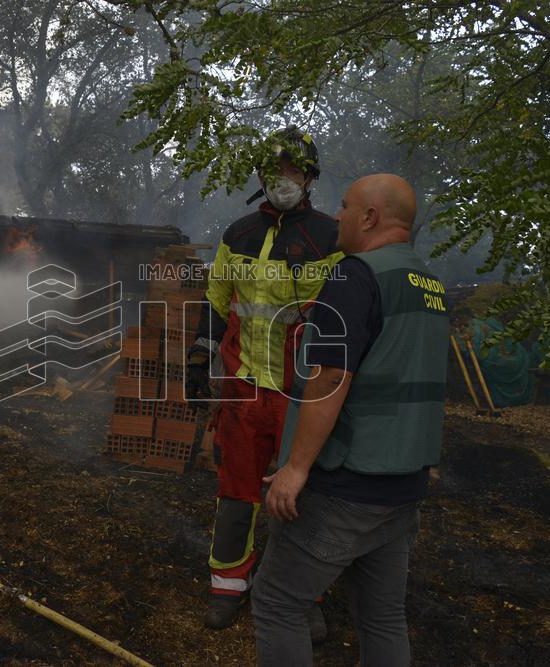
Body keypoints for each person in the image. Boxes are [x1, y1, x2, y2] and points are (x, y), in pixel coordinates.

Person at [250, 173, 450, 666]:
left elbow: (331, 378)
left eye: (345, 206)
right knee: (382, 616)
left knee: (277, 603)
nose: (337, 215)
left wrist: (296, 467)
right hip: (403, 487)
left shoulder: (353, 276)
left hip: (345, 484)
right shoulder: (428, 284)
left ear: (370, 217)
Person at [186, 127, 343, 633]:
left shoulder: (331, 238)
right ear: (258, 174)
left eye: (293, 170)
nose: (282, 179)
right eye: (273, 170)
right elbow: (217, 301)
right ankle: (227, 586)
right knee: (236, 492)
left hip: (302, 393)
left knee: (301, 496)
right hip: (243, 388)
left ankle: (302, 597)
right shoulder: (237, 234)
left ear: (310, 176)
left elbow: (344, 317)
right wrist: (198, 358)